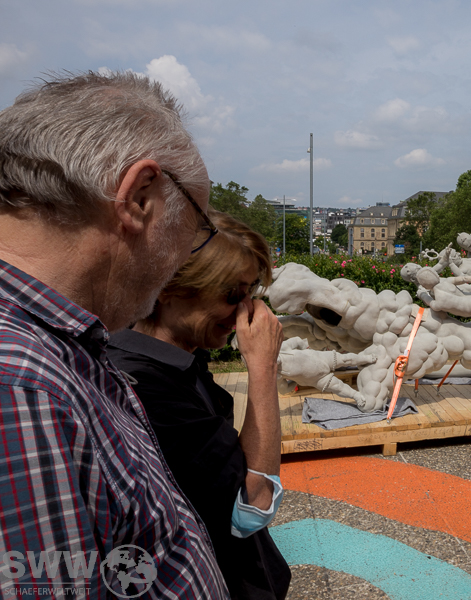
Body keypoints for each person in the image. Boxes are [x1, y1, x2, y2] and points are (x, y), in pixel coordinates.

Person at [0, 72, 228, 596]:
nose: (183, 259)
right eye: (196, 228)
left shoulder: (57, 346)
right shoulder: (22, 390)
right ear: (139, 198)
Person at [107, 210, 291, 600]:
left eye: (251, 294)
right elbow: (251, 505)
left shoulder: (169, 356)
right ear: (168, 287)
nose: (244, 311)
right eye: (232, 294)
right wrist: (263, 368)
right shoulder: (151, 390)